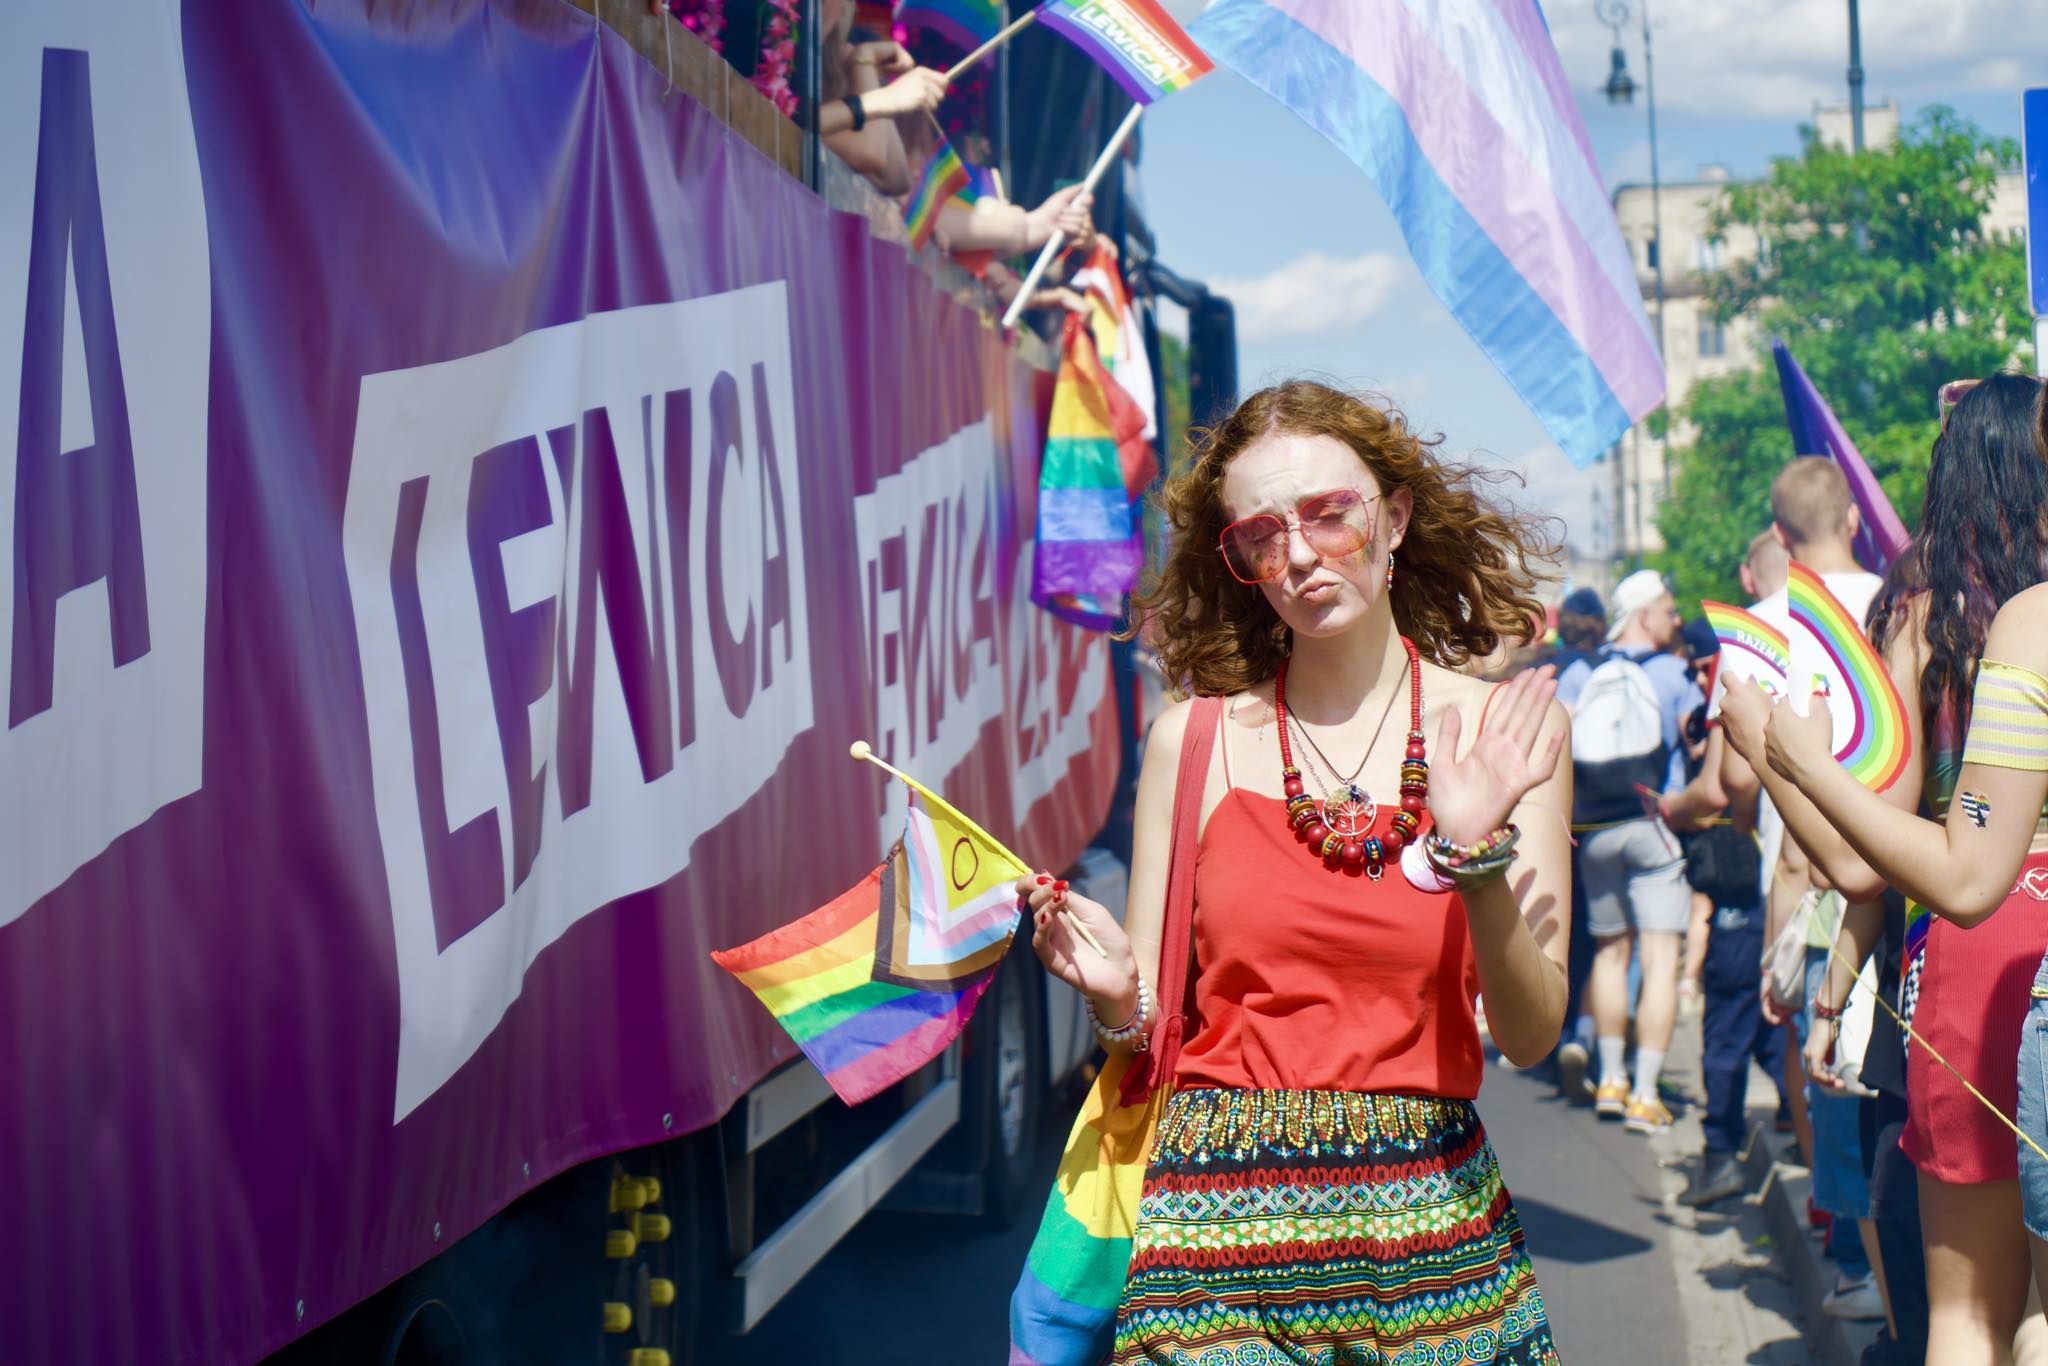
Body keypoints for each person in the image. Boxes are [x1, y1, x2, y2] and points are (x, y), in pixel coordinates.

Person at [1020, 381, 1570, 1365]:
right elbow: (1140, 1028)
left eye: (1329, 514)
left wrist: (1475, 858)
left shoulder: (1503, 735)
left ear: (1392, 518)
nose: (1301, 554)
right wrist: (1113, 998)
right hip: (1209, 1248)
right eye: (1260, 536)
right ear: (1237, 564)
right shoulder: (1189, 742)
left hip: (1431, 1243)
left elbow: (1529, 1036)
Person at [1723, 375, 2048, 1365]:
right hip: (2020, 947)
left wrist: (1784, 763)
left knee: (1964, 1312)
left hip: (1976, 949)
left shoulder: (1934, 621)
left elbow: (1868, 860)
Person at [1562, 568, 1702, 1133]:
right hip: (1653, 826)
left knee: (1609, 955)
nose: (1675, 621)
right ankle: (1646, 1092)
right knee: (1662, 957)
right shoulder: (1673, 673)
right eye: (1668, 610)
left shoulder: (1580, 670)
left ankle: (1611, 1079)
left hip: (1595, 830)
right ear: (1645, 613)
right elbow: (1700, 740)